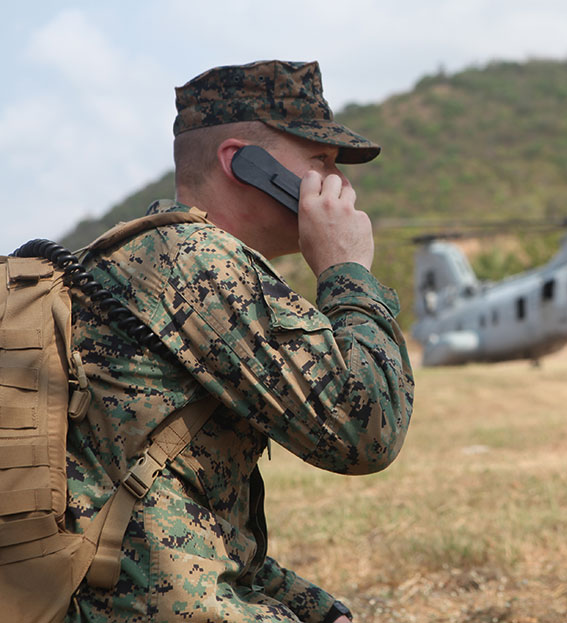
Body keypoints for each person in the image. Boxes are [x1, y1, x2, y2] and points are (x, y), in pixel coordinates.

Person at [65, 60, 414, 623]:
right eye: (319, 162)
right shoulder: (198, 263)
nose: (341, 186)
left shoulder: (152, 262)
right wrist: (347, 271)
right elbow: (366, 432)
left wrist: (316, 608)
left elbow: (191, 516)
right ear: (241, 163)